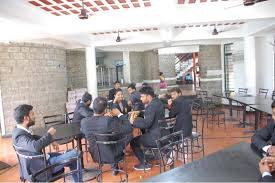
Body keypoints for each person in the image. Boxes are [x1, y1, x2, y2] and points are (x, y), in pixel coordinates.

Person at [12, 104, 82, 182]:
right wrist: (49, 134)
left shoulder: (18, 131)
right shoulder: (20, 137)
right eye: (32, 114)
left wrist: (51, 139)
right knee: (75, 153)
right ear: (26, 118)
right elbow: (35, 146)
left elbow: (34, 138)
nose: (34, 117)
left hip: (42, 160)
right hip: (42, 169)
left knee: (70, 155)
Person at [81, 97, 132, 176]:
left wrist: (103, 117)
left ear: (92, 107)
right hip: (111, 155)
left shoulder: (84, 122)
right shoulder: (107, 121)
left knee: (106, 138)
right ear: (105, 110)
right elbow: (128, 128)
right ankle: (114, 164)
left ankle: (114, 166)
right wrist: (119, 114)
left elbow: (90, 128)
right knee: (128, 135)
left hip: (96, 155)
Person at [130, 86, 165, 171]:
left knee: (134, 142)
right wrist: (140, 112)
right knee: (144, 136)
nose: (141, 99)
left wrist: (133, 122)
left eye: (142, 96)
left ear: (149, 96)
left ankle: (144, 163)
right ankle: (153, 155)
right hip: (163, 133)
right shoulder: (158, 102)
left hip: (156, 137)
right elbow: (151, 113)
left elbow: (146, 124)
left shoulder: (151, 106)